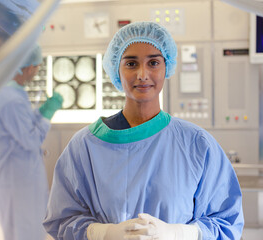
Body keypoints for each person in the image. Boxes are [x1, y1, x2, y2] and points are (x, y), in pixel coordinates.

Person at [43, 22, 243, 240]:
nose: (142, 74)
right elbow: (62, 220)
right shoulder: (84, 147)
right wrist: (105, 233)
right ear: (116, 70)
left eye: (153, 62)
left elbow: (226, 221)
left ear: (167, 68)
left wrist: (178, 233)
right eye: (131, 63)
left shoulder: (196, 144)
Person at [0, 45, 63, 240]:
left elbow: (24, 124)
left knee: (32, 231)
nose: (36, 71)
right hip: (16, 184)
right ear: (28, 68)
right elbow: (30, 140)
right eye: (37, 67)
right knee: (23, 234)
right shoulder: (9, 99)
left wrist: (41, 111)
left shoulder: (15, 94)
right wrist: (47, 115)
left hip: (23, 180)